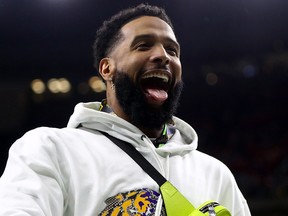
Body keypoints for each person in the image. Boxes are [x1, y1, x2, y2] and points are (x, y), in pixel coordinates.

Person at [0, 3, 251, 216]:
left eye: (172, 50)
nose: (163, 56)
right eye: (143, 45)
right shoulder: (50, 150)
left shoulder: (215, 173)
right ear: (106, 69)